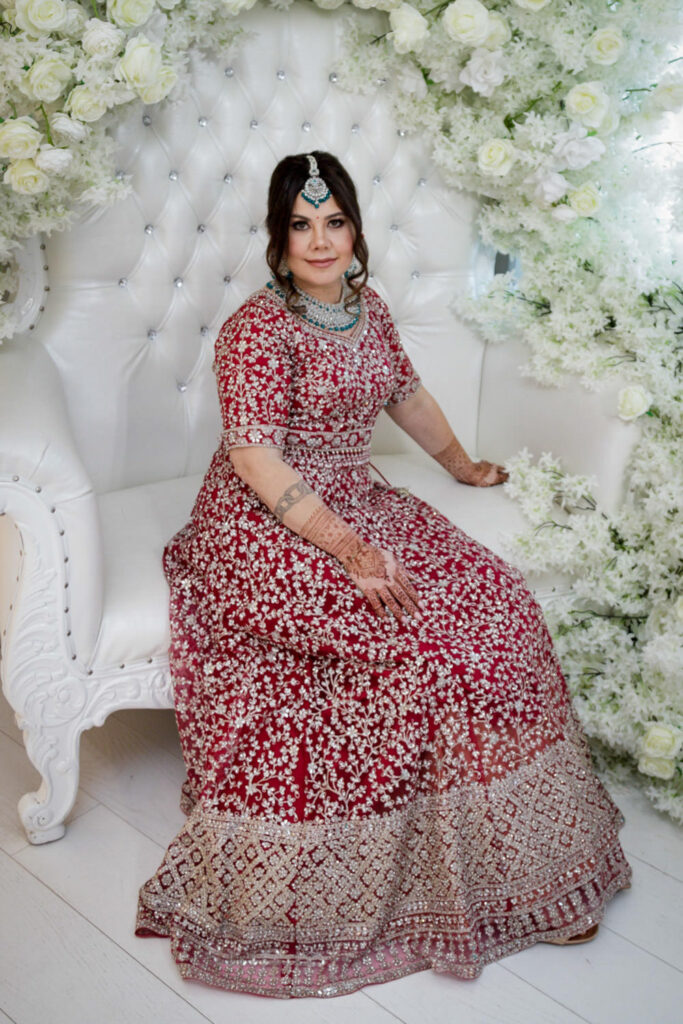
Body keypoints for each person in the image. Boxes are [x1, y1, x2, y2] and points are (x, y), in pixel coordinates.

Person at [135, 151, 632, 998]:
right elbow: (253, 458)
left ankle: (530, 872)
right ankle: (419, 879)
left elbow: (407, 395)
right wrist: (352, 551)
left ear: (355, 229)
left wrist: (461, 464)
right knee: (411, 649)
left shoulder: (369, 309)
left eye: (334, 222)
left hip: (356, 498)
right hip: (265, 523)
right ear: (277, 237)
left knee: (501, 607)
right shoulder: (257, 328)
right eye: (300, 225)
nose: (319, 241)